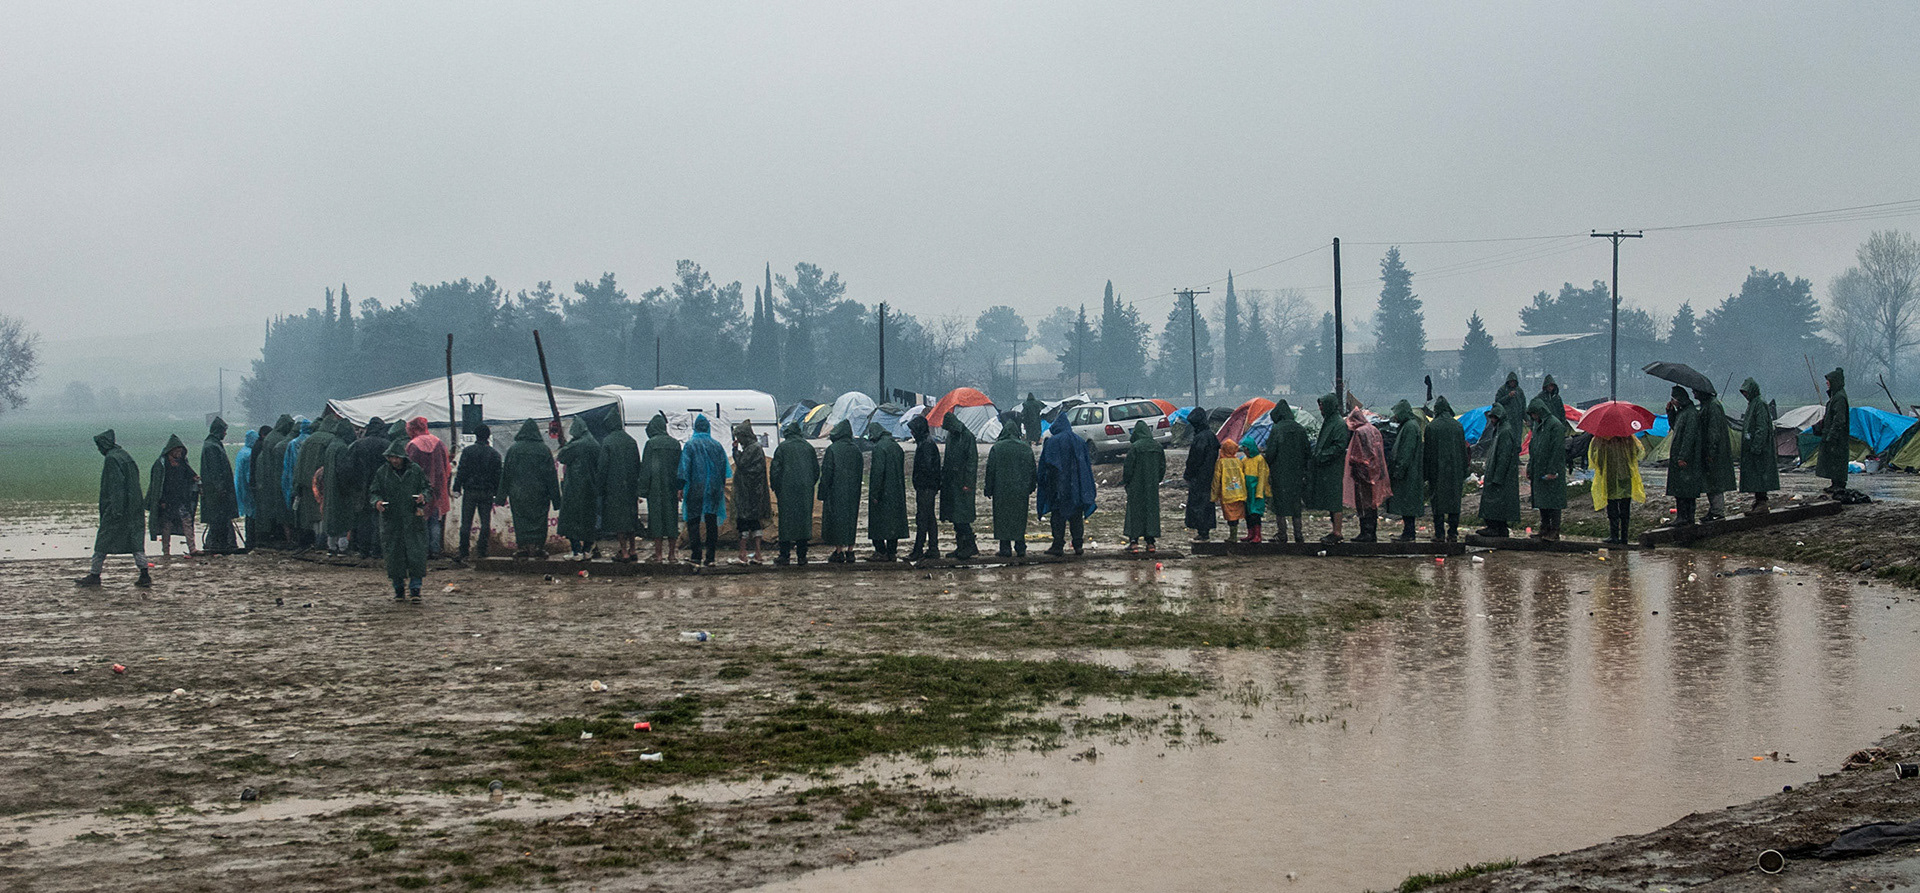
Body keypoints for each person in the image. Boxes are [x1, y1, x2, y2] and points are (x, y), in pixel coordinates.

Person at [76, 429, 150, 588]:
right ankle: (144, 573)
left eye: (99, 446)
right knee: (136, 541)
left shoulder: (112, 459)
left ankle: (95, 574)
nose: (99, 449)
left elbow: (116, 486)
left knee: (102, 542)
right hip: (134, 507)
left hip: (118, 509)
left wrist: (116, 510)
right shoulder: (124, 455)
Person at [369, 437, 430, 603]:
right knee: (394, 556)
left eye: (397, 457)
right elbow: (374, 492)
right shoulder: (382, 472)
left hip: (413, 519)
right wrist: (377, 502)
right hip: (391, 520)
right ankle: (398, 589)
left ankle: (416, 589)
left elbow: (427, 488)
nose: (395, 461)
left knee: (416, 555)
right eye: (391, 457)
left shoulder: (415, 471)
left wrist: (423, 497)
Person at [1037, 415, 1097, 556]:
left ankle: (1058, 545)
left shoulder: (1053, 442)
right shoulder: (1080, 441)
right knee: (1076, 517)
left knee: (1058, 517)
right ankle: (1078, 545)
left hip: (1058, 486)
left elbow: (1047, 465)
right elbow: (1086, 465)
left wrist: (1044, 483)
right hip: (1077, 486)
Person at [500, 419, 559, 558]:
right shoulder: (544, 450)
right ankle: (539, 547)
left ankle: (522, 547)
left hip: (518, 493)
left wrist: (501, 497)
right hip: (540, 493)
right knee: (540, 520)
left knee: (520, 519)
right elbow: (551, 475)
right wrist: (556, 500)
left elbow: (506, 474)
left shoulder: (514, 449)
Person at [679, 415, 729, 567]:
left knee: (693, 521)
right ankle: (710, 557)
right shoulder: (717, 446)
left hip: (696, 488)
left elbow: (684, 468)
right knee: (711, 521)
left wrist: (680, 487)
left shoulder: (690, 445)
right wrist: (720, 486)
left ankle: (696, 555)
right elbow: (724, 469)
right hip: (714, 489)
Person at [984, 419, 1036, 557]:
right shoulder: (1025, 448)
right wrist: (1031, 486)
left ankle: (1005, 547)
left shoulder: (997, 448)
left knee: (1003, 519)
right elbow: (1032, 469)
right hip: (1020, 491)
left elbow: (991, 470)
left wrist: (988, 488)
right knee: (1019, 518)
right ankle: (1020, 547)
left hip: (1001, 490)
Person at [453, 424, 503, 561]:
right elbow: (498, 475)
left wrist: (457, 487)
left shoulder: (468, 451)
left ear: (476, 435)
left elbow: (462, 471)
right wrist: (497, 492)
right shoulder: (494, 454)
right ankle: (482, 551)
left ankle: (464, 552)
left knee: (466, 522)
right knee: (485, 522)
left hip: (470, 491)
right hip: (487, 492)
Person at [770, 421, 817, 566]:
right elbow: (816, 470)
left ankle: (784, 555)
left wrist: (776, 487)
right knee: (803, 521)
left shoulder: (782, 447)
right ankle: (802, 556)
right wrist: (809, 484)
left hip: (786, 490)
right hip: (805, 491)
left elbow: (775, 470)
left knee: (786, 521)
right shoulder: (808, 447)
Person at [598, 409, 642, 562]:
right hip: (631, 488)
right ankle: (633, 549)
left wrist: (600, 488)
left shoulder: (608, 442)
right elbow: (637, 464)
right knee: (631, 519)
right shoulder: (631, 441)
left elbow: (603, 467)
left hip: (614, 488)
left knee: (619, 521)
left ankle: (623, 552)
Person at [1262, 402, 1310, 544]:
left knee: (1280, 504)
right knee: (1296, 505)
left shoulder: (1277, 429)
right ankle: (1298, 534)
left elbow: (1271, 453)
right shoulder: (1300, 429)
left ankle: (1282, 534)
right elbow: (1307, 451)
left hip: (1280, 473)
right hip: (1297, 473)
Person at [1306, 393, 1351, 542]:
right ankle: (1334, 530)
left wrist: (1322, 455)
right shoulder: (1330, 421)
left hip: (1333, 468)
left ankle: (1337, 532)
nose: (1320, 409)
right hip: (1326, 467)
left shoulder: (1338, 424)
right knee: (1331, 500)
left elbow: (1339, 446)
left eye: (1322, 406)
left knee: (1334, 499)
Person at [405, 417, 452, 557]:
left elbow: (409, 468)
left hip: (418, 488)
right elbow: (446, 466)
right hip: (437, 487)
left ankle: (423, 549)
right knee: (434, 519)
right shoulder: (438, 442)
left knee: (420, 518)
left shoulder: (413, 445)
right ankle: (435, 549)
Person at [638, 413, 683, 563]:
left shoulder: (651, 444)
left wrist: (642, 490)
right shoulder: (675, 444)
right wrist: (680, 487)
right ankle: (672, 555)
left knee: (656, 520)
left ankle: (658, 555)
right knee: (672, 519)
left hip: (655, 489)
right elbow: (681, 468)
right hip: (672, 488)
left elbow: (646, 469)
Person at [1423, 397, 1469, 543]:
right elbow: (1463, 450)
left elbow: (1428, 453)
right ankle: (1453, 533)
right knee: (1454, 502)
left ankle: (1439, 534)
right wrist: (1464, 470)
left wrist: (1425, 473)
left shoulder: (1432, 427)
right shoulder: (1458, 426)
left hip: (1437, 471)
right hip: (1455, 470)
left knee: (1438, 502)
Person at [815, 419, 861, 563]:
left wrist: (822, 492)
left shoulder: (833, 449)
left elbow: (827, 472)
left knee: (837, 520)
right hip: (853, 491)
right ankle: (850, 551)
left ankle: (839, 550)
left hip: (835, 491)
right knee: (851, 520)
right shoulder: (856, 450)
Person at [556, 419, 602, 560]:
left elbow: (562, 456)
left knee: (571, 520)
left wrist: (569, 442)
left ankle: (576, 551)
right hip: (591, 488)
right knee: (589, 520)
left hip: (574, 488)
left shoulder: (576, 444)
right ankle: (587, 550)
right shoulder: (595, 444)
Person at [147, 434, 199, 557]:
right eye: (177, 451)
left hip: (181, 499)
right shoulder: (162, 465)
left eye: (181, 451)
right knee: (167, 526)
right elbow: (158, 485)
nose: (179, 454)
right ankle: (166, 551)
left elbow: (191, 475)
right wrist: (161, 500)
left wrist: (196, 479)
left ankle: (192, 548)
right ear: (171, 450)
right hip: (167, 500)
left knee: (187, 521)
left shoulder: (183, 463)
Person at [1475, 402, 1522, 538]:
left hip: (1500, 475)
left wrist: (1498, 476)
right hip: (1497, 472)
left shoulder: (1505, 431)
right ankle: (1499, 528)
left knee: (1495, 502)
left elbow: (1504, 456)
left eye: (1494, 417)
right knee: (1498, 502)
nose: (1492, 420)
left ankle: (1495, 527)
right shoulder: (1500, 430)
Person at [1344, 407, 1390, 542]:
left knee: (1363, 503)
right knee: (1372, 503)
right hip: (1375, 472)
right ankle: (1372, 532)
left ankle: (1366, 532)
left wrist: (1354, 467)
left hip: (1362, 473)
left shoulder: (1360, 432)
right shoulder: (1373, 429)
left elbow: (1357, 455)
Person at [345, 416, 390, 558]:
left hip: (361, 488)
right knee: (379, 518)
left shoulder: (357, 445)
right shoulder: (387, 445)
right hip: (382, 488)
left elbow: (348, 468)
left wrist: (353, 485)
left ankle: (363, 550)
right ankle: (377, 550)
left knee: (363, 519)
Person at [1589, 434, 1645, 544]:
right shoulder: (1629, 437)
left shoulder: (1600, 438)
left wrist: (1601, 468)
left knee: (1612, 504)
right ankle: (1624, 536)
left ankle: (1614, 535)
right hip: (1626, 474)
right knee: (1625, 505)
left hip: (1609, 474)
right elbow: (1638, 452)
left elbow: (1594, 457)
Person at [1526, 397, 1569, 541]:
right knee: (1542, 501)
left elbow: (1557, 450)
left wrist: (1552, 470)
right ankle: (1544, 528)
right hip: (1539, 469)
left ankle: (1554, 530)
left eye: (1534, 413)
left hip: (1552, 471)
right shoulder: (1538, 426)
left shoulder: (1555, 425)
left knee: (1554, 502)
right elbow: (1533, 447)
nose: (1533, 417)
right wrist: (1530, 467)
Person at [940, 411, 980, 560]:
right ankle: (962, 546)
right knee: (955, 517)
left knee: (962, 517)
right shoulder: (952, 436)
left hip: (962, 484)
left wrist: (968, 483)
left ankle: (969, 546)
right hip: (952, 482)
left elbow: (972, 462)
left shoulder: (967, 437)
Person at [865, 422, 908, 561]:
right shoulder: (896, 447)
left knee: (878, 523)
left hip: (883, 493)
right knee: (894, 523)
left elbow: (877, 473)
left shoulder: (879, 448)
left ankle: (880, 551)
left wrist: (874, 493)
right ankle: (891, 552)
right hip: (896, 491)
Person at [1383, 400, 1424, 542]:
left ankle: (1409, 533)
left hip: (1408, 473)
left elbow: (1406, 451)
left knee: (1407, 504)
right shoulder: (1409, 426)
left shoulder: (1410, 427)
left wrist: (1399, 470)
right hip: (1408, 471)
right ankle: (1407, 532)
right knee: (1407, 504)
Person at [1663, 386, 1705, 526]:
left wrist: (1683, 456)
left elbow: (1689, 437)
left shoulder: (1691, 414)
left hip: (1687, 459)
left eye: (1674, 399)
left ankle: (1687, 517)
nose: (1672, 401)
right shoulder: (1682, 412)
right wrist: (1670, 412)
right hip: (1679, 456)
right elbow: (1676, 427)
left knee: (1687, 489)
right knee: (1680, 489)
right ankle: (1682, 516)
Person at [1122, 420, 1164, 552]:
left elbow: (1128, 467)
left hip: (1136, 484)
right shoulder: (1158, 446)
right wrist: (1156, 480)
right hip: (1152, 485)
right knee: (1151, 511)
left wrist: (1126, 481)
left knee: (1135, 511)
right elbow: (1162, 467)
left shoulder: (1135, 447)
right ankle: (1150, 542)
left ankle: (1134, 542)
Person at [734, 422, 773, 564]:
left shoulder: (751, 449)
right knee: (755, 522)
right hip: (757, 492)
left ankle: (743, 553)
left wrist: (735, 451)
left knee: (744, 522)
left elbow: (741, 464)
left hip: (747, 492)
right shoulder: (757, 448)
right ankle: (757, 553)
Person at [1738, 378, 1779, 513]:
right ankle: (1758, 500)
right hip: (1753, 448)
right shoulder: (1752, 404)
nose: (1745, 395)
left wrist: (1756, 446)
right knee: (1755, 476)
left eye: (1746, 392)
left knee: (1760, 475)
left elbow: (1761, 427)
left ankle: (1762, 501)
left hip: (1760, 449)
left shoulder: (1759, 404)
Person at [319, 419, 359, 555]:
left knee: (331, 518)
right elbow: (344, 471)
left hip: (330, 488)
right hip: (340, 490)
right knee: (343, 519)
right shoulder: (342, 447)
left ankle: (331, 547)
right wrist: (349, 488)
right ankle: (342, 548)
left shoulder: (331, 446)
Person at [1695, 387, 1735, 522]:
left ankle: (1717, 511)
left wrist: (1710, 452)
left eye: (1695, 392)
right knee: (1710, 481)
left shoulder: (1713, 406)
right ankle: (1714, 510)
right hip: (1711, 450)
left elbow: (1713, 431)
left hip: (1715, 452)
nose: (1694, 394)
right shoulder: (1708, 405)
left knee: (1715, 481)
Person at [199, 418, 238, 552]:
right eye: (224, 431)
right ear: (218, 431)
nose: (225, 434)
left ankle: (217, 545)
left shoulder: (213, 444)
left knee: (219, 520)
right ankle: (217, 546)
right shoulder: (212, 447)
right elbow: (215, 471)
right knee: (218, 520)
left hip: (216, 491)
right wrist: (221, 489)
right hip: (216, 493)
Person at [906, 415, 941, 561]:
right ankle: (933, 548)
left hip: (926, 487)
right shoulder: (927, 442)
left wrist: (920, 482)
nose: (912, 432)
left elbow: (926, 468)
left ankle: (918, 549)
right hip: (929, 486)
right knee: (929, 518)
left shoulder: (925, 445)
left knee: (922, 518)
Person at [254, 415, 292, 545]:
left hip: (267, 479)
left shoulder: (270, 438)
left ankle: (268, 536)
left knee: (270, 510)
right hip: (275, 479)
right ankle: (278, 537)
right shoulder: (279, 440)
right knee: (278, 510)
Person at [1183, 407, 1219, 541]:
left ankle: (1202, 530)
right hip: (1209, 474)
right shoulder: (1211, 436)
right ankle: (1205, 530)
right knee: (1207, 504)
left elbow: (1194, 459)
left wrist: (1188, 474)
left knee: (1198, 505)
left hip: (1199, 476)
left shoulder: (1200, 438)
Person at [1817, 367, 1850, 496]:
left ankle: (1839, 484)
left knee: (1838, 460)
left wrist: (1832, 435)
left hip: (1838, 437)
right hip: (1833, 434)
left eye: (1829, 381)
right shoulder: (1835, 397)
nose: (1827, 383)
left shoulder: (1839, 398)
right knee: (1832, 460)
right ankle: (1834, 483)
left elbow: (1839, 419)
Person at [1211, 437, 1250, 543]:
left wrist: (1214, 495)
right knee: (1236, 514)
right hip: (1239, 493)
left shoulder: (1221, 463)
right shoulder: (1238, 461)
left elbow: (1216, 479)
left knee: (1230, 515)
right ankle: (1235, 534)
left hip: (1227, 494)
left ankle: (1233, 536)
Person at [1238, 435, 1271, 543]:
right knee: (1248, 513)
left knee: (1255, 513)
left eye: (1246, 449)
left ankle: (1257, 535)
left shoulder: (1259, 459)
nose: (1245, 452)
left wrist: (1260, 492)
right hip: (1247, 490)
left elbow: (1263, 476)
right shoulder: (1244, 460)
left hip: (1256, 490)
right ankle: (1250, 533)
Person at [234, 427, 258, 548]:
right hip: (247, 489)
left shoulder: (242, 451)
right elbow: (249, 475)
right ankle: (251, 541)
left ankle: (249, 540)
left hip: (240, 487)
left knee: (248, 514)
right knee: (252, 515)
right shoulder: (249, 454)